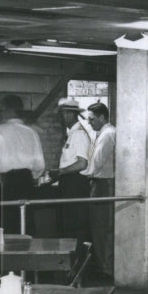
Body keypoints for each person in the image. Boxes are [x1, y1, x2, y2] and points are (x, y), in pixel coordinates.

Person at [0, 94, 46, 234]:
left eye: (1, 109)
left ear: (7, 109)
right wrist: (32, 176)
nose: (0, 113)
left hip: (8, 183)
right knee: (27, 223)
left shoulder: (0, 130)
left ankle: (10, 255)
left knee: (8, 224)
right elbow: (40, 164)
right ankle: (27, 254)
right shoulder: (31, 132)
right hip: (27, 182)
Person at [49, 98, 92, 249]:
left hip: (76, 184)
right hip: (69, 183)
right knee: (68, 225)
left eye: (61, 115)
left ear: (68, 114)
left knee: (75, 226)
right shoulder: (72, 134)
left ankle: (77, 262)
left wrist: (60, 172)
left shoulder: (79, 134)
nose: (60, 119)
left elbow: (82, 163)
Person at [85, 102, 116, 280]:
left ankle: (106, 267)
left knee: (102, 226)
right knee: (102, 227)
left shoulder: (107, 134)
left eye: (92, 119)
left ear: (102, 117)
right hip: (103, 182)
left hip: (103, 184)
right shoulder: (104, 133)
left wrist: (81, 173)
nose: (90, 123)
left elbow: (95, 163)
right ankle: (105, 264)